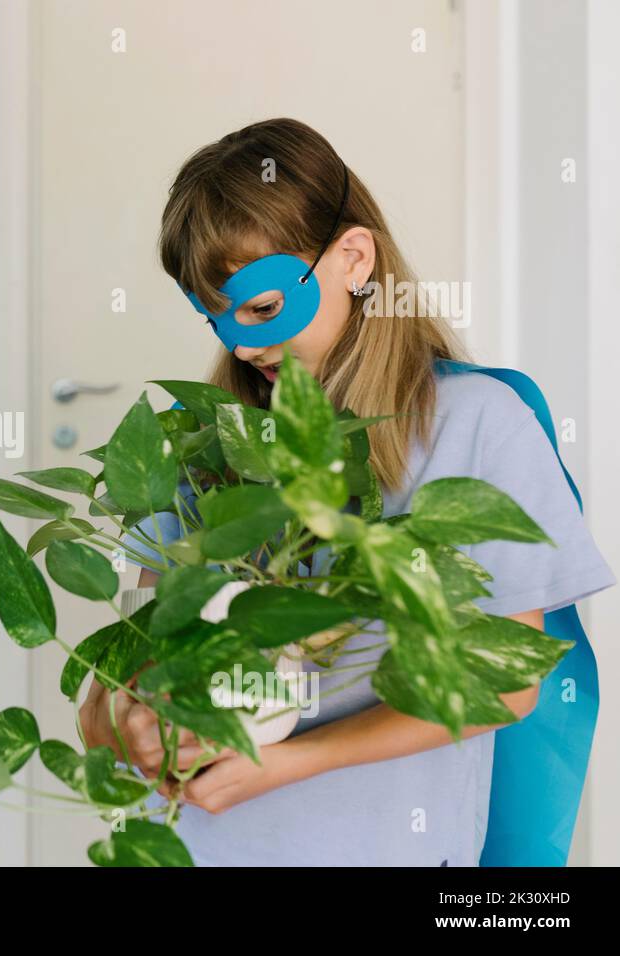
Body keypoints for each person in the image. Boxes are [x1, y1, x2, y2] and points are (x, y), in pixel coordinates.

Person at [79, 118, 615, 866]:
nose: (239, 344)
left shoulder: (478, 425)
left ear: (353, 259)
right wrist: (124, 722)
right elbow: (120, 682)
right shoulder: (199, 442)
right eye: (214, 315)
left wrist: (291, 761)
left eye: (262, 308)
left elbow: (506, 680)